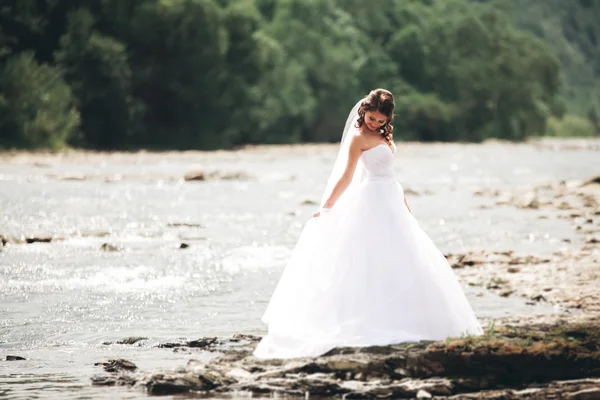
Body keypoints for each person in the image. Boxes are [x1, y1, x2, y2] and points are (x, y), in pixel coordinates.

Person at [254, 89, 483, 359]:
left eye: (380, 120)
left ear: (388, 119)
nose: (374, 123)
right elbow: (347, 176)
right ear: (364, 111)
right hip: (372, 199)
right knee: (370, 258)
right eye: (372, 118)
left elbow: (390, 174)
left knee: (406, 256)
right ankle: (371, 319)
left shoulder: (384, 134)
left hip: (391, 197)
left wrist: (404, 205)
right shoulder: (358, 138)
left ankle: (411, 318)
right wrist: (326, 207)